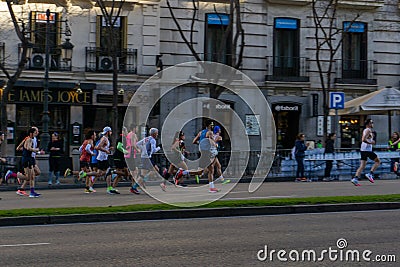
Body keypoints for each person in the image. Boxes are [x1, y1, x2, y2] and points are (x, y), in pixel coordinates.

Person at [193, 120, 220, 193]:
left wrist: (200, 143)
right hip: (207, 152)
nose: (213, 126)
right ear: (209, 125)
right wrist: (215, 144)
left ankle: (212, 188)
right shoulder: (210, 132)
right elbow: (211, 140)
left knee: (210, 169)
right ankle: (183, 172)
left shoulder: (201, 132)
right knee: (209, 170)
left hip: (202, 151)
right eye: (212, 125)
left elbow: (194, 141)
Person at [131, 128, 161, 194]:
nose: (157, 134)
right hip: (148, 158)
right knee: (151, 172)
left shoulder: (146, 138)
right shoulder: (153, 140)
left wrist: (143, 150)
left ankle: (139, 183)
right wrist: (159, 147)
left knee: (154, 170)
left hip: (144, 157)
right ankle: (136, 186)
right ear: (154, 134)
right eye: (157, 133)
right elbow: (153, 151)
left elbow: (137, 144)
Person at [352, 119, 381, 186]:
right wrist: (370, 142)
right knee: (378, 161)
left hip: (363, 149)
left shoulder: (366, 130)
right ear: (368, 124)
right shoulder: (368, 130)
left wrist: (371, 141)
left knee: (362, 165)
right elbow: (363, 139)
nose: (373, 124)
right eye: (371, 123)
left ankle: (355, 178)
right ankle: (370, 174)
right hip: (367, 150)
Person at [95, 126, 116, 194]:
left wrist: (108, 149)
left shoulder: (106, 138)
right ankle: (109, 188)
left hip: (103, 157)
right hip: (102, 158)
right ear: (107, 132)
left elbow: (102, 147)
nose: (111, 133)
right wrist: (106, 151)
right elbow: (98, 147)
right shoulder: (104, 139)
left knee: (99, 173)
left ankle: (85, 174)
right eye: (110, 131)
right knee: (108, 171)